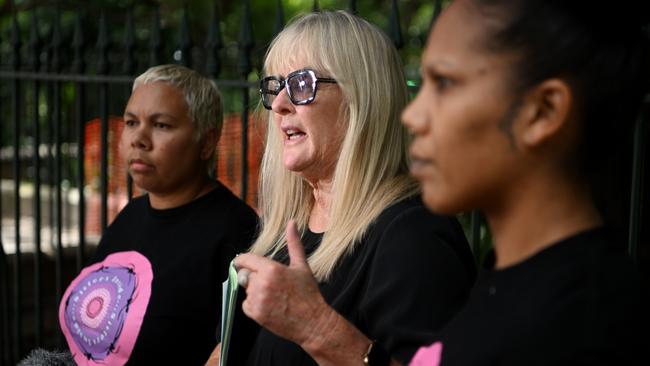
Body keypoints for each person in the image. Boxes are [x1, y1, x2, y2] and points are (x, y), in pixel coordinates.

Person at [213, 10, 477, 366]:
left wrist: (318, 329)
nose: (279, 105)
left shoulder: (413, 236)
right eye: (275, 86)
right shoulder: (282, 231)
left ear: (362, 98)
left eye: (301, 84)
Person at [403, 0, 650, 364]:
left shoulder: (580, 328)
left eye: (444, 83)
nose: (412, 115)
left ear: (543, 111)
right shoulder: (511, 282)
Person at [58, 64, 258, 366]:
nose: (139, 139)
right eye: (130, 122)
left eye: (161, 125)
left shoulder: (237, 232)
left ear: (206, 142)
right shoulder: (130, 216)